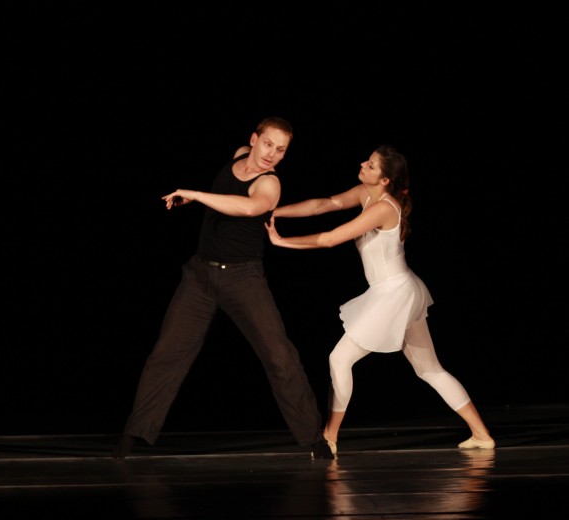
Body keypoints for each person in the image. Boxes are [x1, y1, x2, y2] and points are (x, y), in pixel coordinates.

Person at [113, 116, 335, 461]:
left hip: (243, 279)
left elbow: (249, 207)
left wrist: (195, 195)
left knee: (279, 355)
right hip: (199, 277)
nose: (272, 154)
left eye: (281, 150)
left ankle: (313, 438)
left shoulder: (270, 183)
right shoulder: (239, 154)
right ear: (254, 140)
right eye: (268, 144)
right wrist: (195, 201)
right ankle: (133, 436)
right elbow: (228, 195)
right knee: (166, 355)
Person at [264, 145, 495, 454]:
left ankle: (330, 436)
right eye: (368, 161)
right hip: (400, 289)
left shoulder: (384, 207)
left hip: (394, 294)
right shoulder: (365, 192)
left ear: (385, 180)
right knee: (429, 369)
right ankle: (482, 435)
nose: (363, 164)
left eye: (371, 165)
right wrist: (273, 211)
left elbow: (331, 238)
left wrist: (281, 241)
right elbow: (325, 204)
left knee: (339, 359)